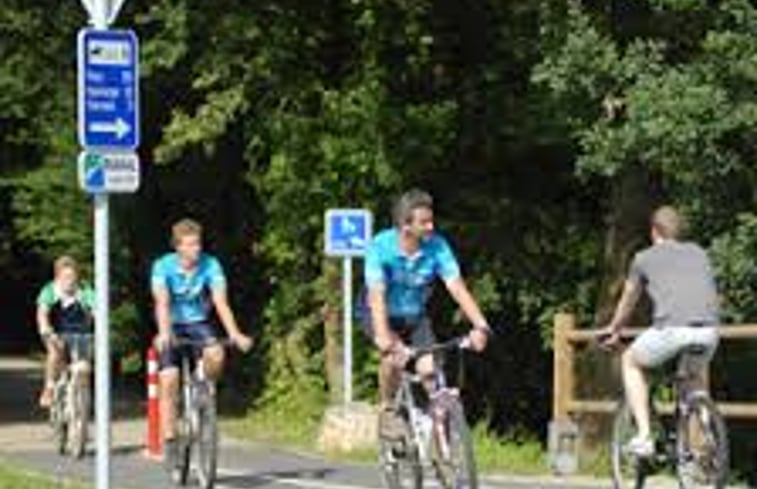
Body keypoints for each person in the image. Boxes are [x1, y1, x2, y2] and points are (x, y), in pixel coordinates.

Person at [363, 188, 491, 439]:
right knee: (393, 359)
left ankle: (433, 426)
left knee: (428, 367)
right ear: (405, 226)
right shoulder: (380, 247)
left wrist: (481, 325)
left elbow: (457, 287)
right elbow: (376, 295)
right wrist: (383, 335)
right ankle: (388, 409)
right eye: (424, 222)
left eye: (431, 221)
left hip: (415, 314)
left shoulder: (437, 246)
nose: (431, 227)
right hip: (380, 312)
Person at [599, 206, 720, 456]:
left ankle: (644, 436)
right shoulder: (699, 252)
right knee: (691, 378)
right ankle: (704, 428)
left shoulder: (643, 258)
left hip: (672, 330)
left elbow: (629, 299)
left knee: (630, 361)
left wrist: (614, 328)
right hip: (709, 331)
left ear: (654, 231)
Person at [151, 218, 253, 468]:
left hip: (198, 323)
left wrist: (235, 333)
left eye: (198, 244)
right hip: (172, 324)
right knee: (169, 379)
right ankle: (170, 439)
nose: (196, 249)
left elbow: (220, 302)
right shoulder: (162, 266)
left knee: (217, 354)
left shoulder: (211, 264)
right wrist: (164, 333)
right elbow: (162, 302)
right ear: (178, 247)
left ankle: (205, 390)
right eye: (190, 245)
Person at [36, 256, 95, 408]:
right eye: (65, 277)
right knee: (55, 352)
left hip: (82, 333)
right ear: (57, 277)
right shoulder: (50, 290)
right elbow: (42, 312)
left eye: (72, 277)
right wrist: (46, 328)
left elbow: (96, 310)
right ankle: (49, 388)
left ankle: (83, 397)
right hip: (56, 332)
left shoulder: (85, 291)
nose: (69, 281)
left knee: (85, 366)